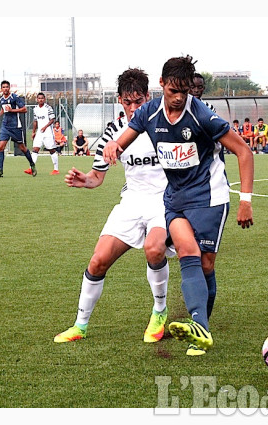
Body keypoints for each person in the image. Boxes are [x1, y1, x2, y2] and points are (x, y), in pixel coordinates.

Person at [103, 55, 254, 356]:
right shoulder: (149, 112)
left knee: (207, 264)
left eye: (184, 91)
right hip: (175, 199)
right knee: (188, 252)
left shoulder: (202, 115)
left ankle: (201, 324)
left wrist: (246, 201)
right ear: (161, 85)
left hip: (209, 197)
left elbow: (244, 151)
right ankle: (201, 331)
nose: (179, 98)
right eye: (173, 91)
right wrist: (114, 145)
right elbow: (125, 138)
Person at [54, 68, 171, 344]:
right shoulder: (113, 132)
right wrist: (85, 180)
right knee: (98, 261)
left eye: (138, 101)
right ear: (120, 100)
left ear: (149, 96)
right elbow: (97, 177)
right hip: (131, 202)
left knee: (154, 249)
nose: (133, 108)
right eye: (127, 102)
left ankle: (159, 311)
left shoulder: (166, 125)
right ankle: (79, 326)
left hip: (164, 201)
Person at [0, 80, 35, 177]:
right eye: (4, 87)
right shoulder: (1, 99)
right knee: (1, 147)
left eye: (7, 87)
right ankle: (0, 170)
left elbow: (24, 109)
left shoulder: (14, 97)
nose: (5, 88)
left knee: (22, 148)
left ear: (9, 88)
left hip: (15, 127)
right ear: (1, 89)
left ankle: (32, 164)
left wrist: (12, 110)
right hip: (5, 126)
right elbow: (3, 108)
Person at [27, 93, 59, 175]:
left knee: (51, 150)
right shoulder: (35, 109)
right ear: (37, 99)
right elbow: (35, 121)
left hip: (48, 132)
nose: (40, 100)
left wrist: (45, 127)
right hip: (39, 133)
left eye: (42, 98)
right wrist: (33, 132)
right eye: (39, 98)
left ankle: (56, 169)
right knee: (35, 149)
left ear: (44, 99)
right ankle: (31, 168)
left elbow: (52, 119)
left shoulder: (48, 108)